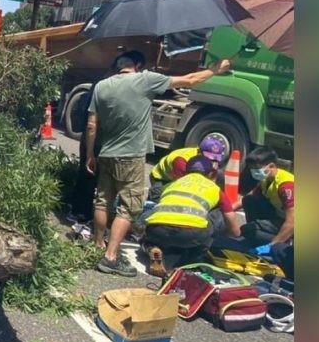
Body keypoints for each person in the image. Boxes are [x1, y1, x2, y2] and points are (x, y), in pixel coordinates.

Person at [85, 50, 233, 276]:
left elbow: (92, 125)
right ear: (136, 65)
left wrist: (90, 155)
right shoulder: (145, 80)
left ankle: (98, 245)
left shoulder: (102, 86)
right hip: (131, 154)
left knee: (103, 199)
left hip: (106, 152)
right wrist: (216, 69)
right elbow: (190, 80)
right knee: (129, 206)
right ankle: (111, 257)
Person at [143, 156, 242, 275]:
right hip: (190, 234)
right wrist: (225, 233)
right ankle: (191, 261)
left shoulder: (173, 184)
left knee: (148, 232)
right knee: (218, 214)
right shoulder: (215, 189)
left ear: (186, 171)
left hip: (157, 230)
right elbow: (235, 231)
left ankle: (151, 247)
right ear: (211, 174)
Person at [240, 147, 294, 274]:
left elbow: (292, 222)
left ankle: (282, 243)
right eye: (252, 170)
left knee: (251, 232)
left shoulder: (286, 186)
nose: (254, 172)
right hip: (280, 217)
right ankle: (274, 239)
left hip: (292, 224)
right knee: (249, 202)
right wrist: (227, 210)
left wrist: (271, 246)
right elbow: (251, 196)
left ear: (271, 166)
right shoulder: (267, 180)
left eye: (257, 169)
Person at [149, 134, 228, 196]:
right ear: (199, 152)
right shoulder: (182, 161)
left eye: (214, 159)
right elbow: (181, 186)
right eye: (209, 158)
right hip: (162, 179)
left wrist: (213, 174)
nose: (211, 161)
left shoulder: (211, 161)